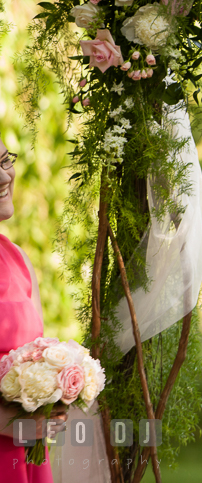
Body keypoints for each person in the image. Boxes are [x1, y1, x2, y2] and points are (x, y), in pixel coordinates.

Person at [0, 139, 68, 481]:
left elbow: (36, 352)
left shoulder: (19, 261)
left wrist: (56, 396)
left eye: (4, 160)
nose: (3, 177)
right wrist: (8, 423)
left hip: (26, 456)